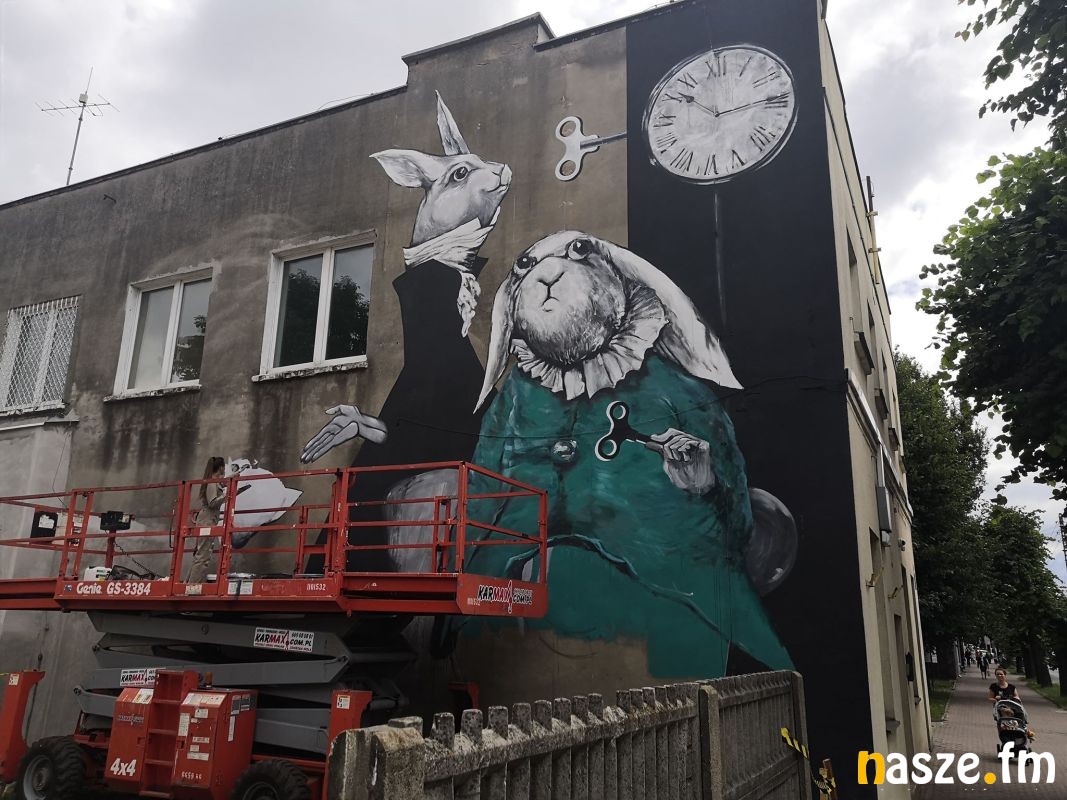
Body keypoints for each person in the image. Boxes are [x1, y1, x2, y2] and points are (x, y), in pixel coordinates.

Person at [186, 456, 227, 584]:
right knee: (203, 556)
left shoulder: (214, 482)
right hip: (207, 521)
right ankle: (192, 587)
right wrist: (227, 496)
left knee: (201, 554)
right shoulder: (212, 482)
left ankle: (188, 584)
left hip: (208, 520)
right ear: (221, 468)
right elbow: (212, 502)